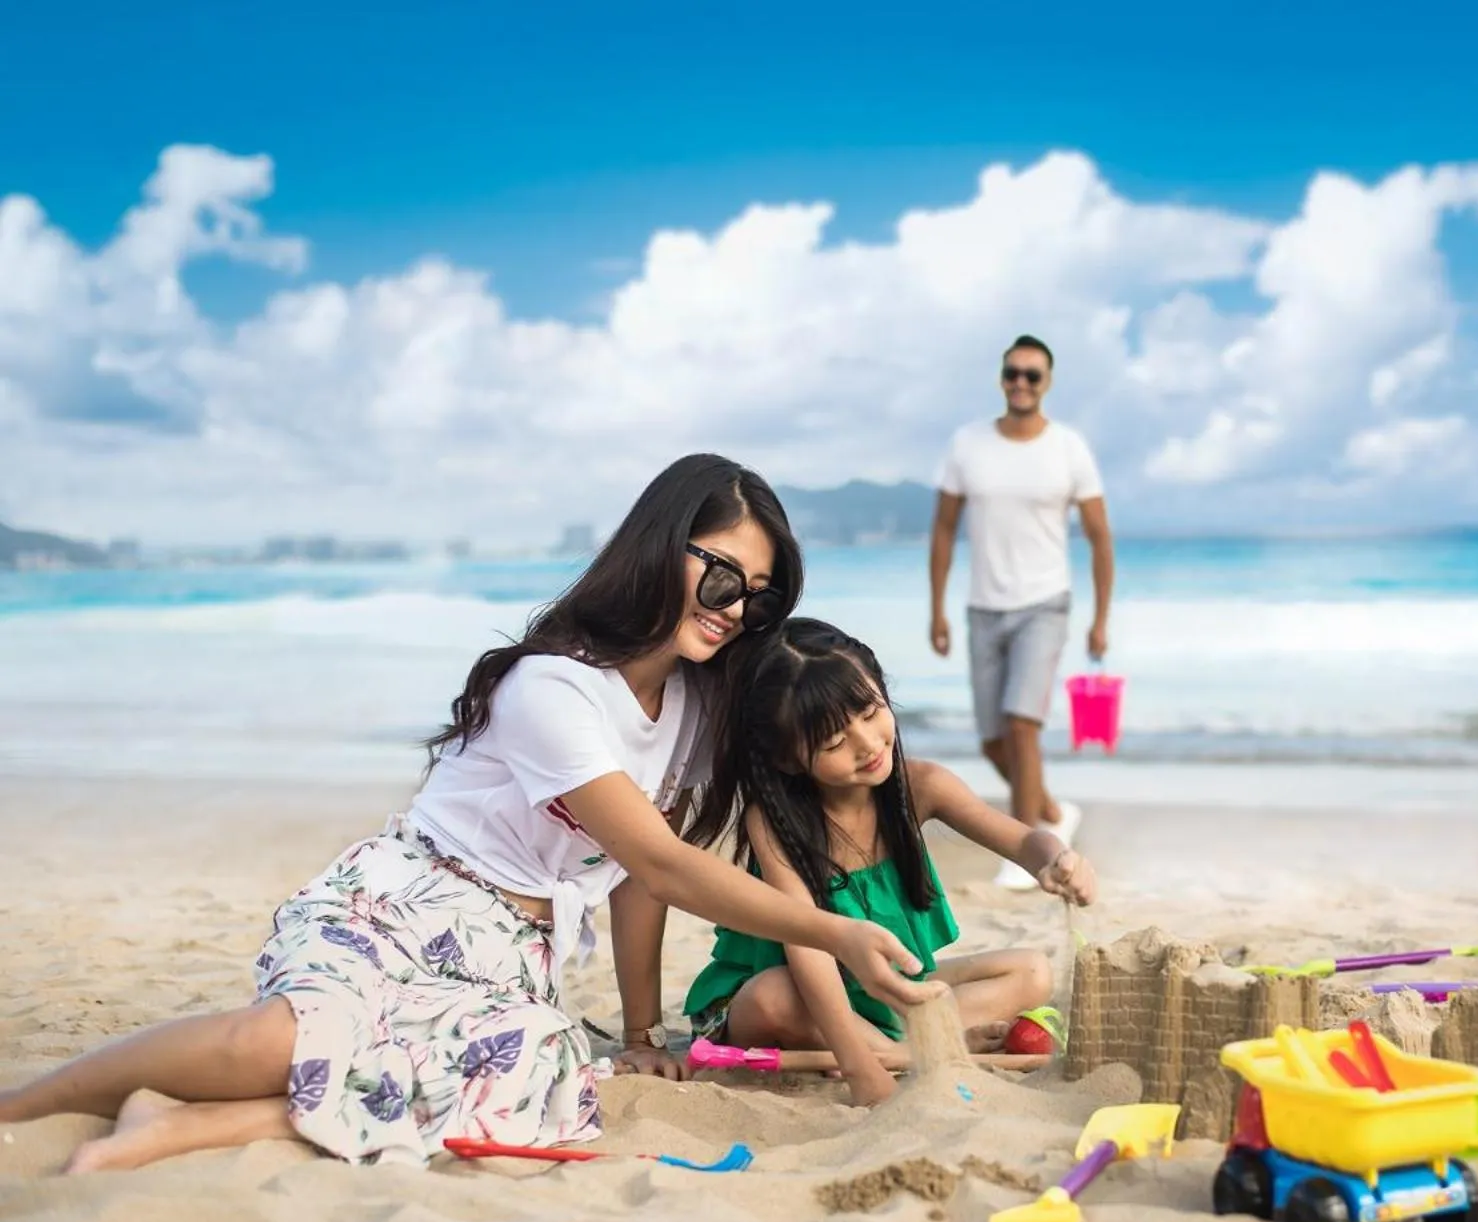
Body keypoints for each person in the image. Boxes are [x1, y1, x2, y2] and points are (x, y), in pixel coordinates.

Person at [0, 455, 938, 1172]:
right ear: (663, 548)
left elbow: (627, 880)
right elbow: (658, 863)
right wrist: (833, 932)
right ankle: (24, 1105)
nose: (738, 609)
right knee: (281, 1038)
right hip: (400, 906)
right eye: (723, 576)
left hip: (506, 960)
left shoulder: (697, 711)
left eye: (760, 595)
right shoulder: (552, 688)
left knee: (545, 1073)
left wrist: (646, 1034)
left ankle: (188, 1121)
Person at [682, 618, 1096, 1107]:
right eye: (834, 742)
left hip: (877, 993)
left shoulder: (923, 786)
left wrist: (1055, 859)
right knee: (772, 995)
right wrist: (858, 1067)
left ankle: (903, 1044)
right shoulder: (774, 821)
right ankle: (903, 1049)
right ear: (789, 759)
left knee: (1031, 973)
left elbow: (1024, 841)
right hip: (792, 997)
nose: (867, 744)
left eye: (869, 710)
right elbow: (807, 951)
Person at [929, 334, 1114, 887]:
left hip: (1045, 603)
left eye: (1032, 375)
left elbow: (1100, 538)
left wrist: (1100, 619)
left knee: (1021, 725)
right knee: (991, 739)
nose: (1021, 383)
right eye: (1013, 372)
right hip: (983, 607)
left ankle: (1028, 850)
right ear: (1001, 377)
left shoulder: (1069, 448)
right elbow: (943, 529)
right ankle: (1055, 815)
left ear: (1047, 382)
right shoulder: (967, 445)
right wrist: (936, 609)